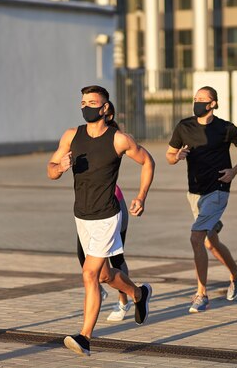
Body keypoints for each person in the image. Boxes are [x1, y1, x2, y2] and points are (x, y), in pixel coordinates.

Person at [48, 85, 155, 356]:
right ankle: (139, 294)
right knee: (105, 274)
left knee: (89, 274)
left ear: (105, 108)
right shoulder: (71, 135)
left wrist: (141, 196)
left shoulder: (119, 139)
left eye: (92, 102)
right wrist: (60, 167)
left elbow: (148, 162)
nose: (86, 107)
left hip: (107, 215)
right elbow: (50, 169)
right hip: (81, 215)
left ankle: (85, 337)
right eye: (83, 102)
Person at [166, 86, 237, 313]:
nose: (196, 102)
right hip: (194, 192)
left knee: (196, 238)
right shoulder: (184, 126)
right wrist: (176, 157)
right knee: (209, 242)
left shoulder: (225, 128)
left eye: (202, 99)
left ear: (213, 104)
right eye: (195, 98)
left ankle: (201, 294)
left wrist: (233, 172)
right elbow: (169, 155)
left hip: (218, 190)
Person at [74, 103, 135, 322]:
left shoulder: (115, 136)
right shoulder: (81, 137)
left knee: (116, 258)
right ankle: (103, 289)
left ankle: (123, 302)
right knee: (86, 259)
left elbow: (145, 160)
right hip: (87, 212)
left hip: (113, 207)